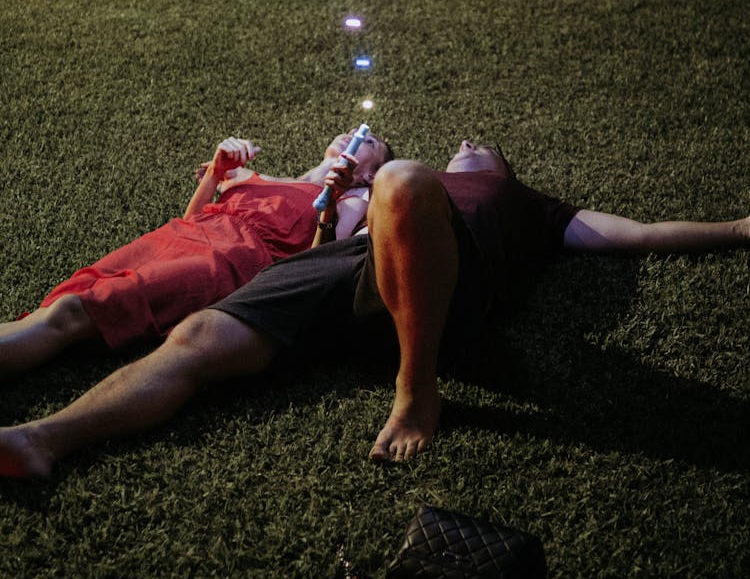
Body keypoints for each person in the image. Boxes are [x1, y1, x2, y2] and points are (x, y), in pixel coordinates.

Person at [0, 140, 747, 477]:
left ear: (500, 169)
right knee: (197, 335)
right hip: (354, 270)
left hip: (443, 293)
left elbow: (639, 234)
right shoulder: (376, 198)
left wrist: (739, 228)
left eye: (479, 144)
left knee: (404, 181)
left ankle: (416, 389)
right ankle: (41, 438)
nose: (468, 141)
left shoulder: (525, 203)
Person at [0, 129, 392, 377]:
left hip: (226, 260)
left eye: (369, 141)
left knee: (78, 312)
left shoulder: (355, 199)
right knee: (69, 300)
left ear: (371, 172)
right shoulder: (252, 176)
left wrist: (331, 202)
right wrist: (216, 171)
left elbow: (314, 266)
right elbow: (196, 216)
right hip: (181, 234)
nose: (352, 134)